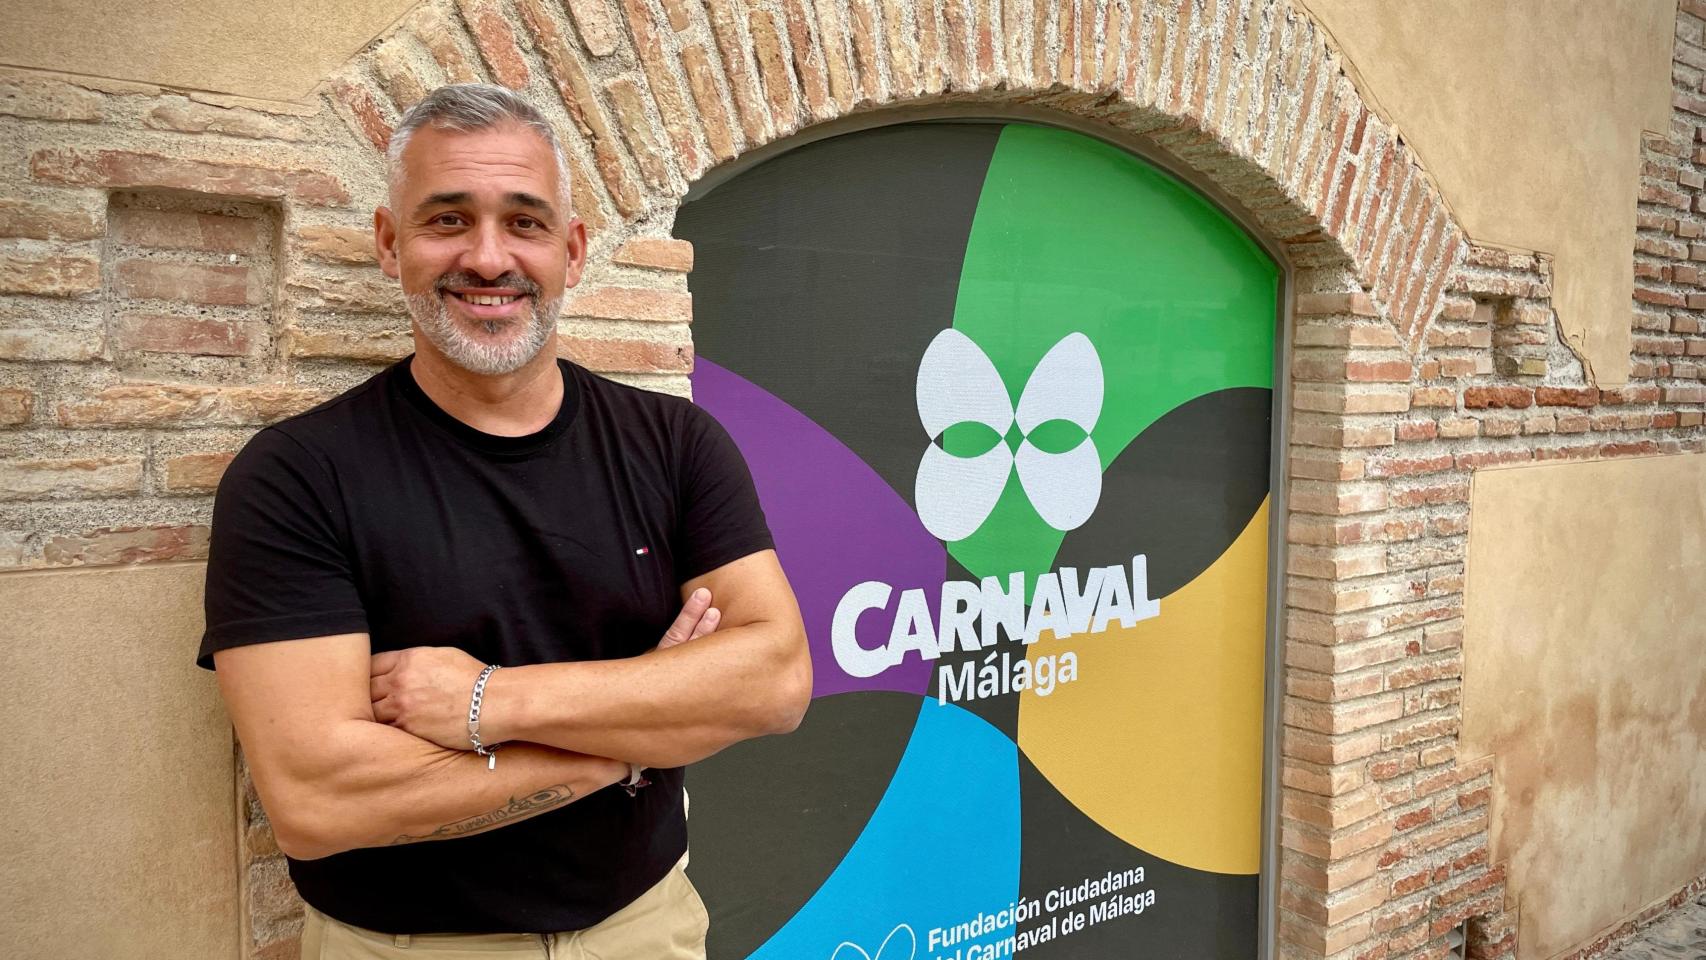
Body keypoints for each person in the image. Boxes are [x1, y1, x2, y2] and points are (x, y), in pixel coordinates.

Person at [197, 83, 811, 959]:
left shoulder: (674, 442)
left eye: (524, 223)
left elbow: (775, 680)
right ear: (388, 242)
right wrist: (630, 746)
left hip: (646, 929)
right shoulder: (297, 476)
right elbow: (318, 803)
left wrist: (484, 703)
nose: (489, 259)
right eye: (447, 220)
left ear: (572, 249)